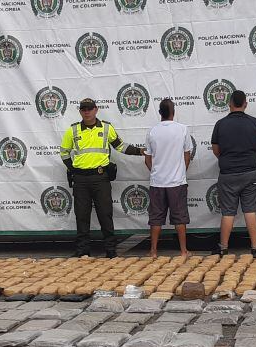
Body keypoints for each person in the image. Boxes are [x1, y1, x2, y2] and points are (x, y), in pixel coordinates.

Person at [60, 98, 144, 258]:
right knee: (82, 216)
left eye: (89, 109)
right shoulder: (73, 130)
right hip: (81, 180)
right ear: (80, 111)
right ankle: (82, 251)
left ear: (96, 110)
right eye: (83, 109)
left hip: (100, 179)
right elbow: (64, 153)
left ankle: (110, 250)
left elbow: (120, 146)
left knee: (105, 214)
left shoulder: (106, 127)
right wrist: (74, 169)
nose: (87, 112)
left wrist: (139, 151)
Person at [210, 90, 256, 257]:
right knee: (250, 210)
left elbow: (216, 150)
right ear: (245, 104)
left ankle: (223, 248)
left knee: (228, 212)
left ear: (229, 103)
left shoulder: (220, 124)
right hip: (251, 172)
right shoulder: (254, 122)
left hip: (228, 174)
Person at [144, 98, 193, 259]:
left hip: (157, 182)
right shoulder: (183, 129)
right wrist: (180, 172)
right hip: (177, 182)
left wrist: (156, 172)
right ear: (173, 112)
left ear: (160, 113)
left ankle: (153, 251)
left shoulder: (152, 131)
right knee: (179, 217)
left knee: (156, 218)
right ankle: (184, 251)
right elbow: (187, 155)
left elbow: (147, 159)